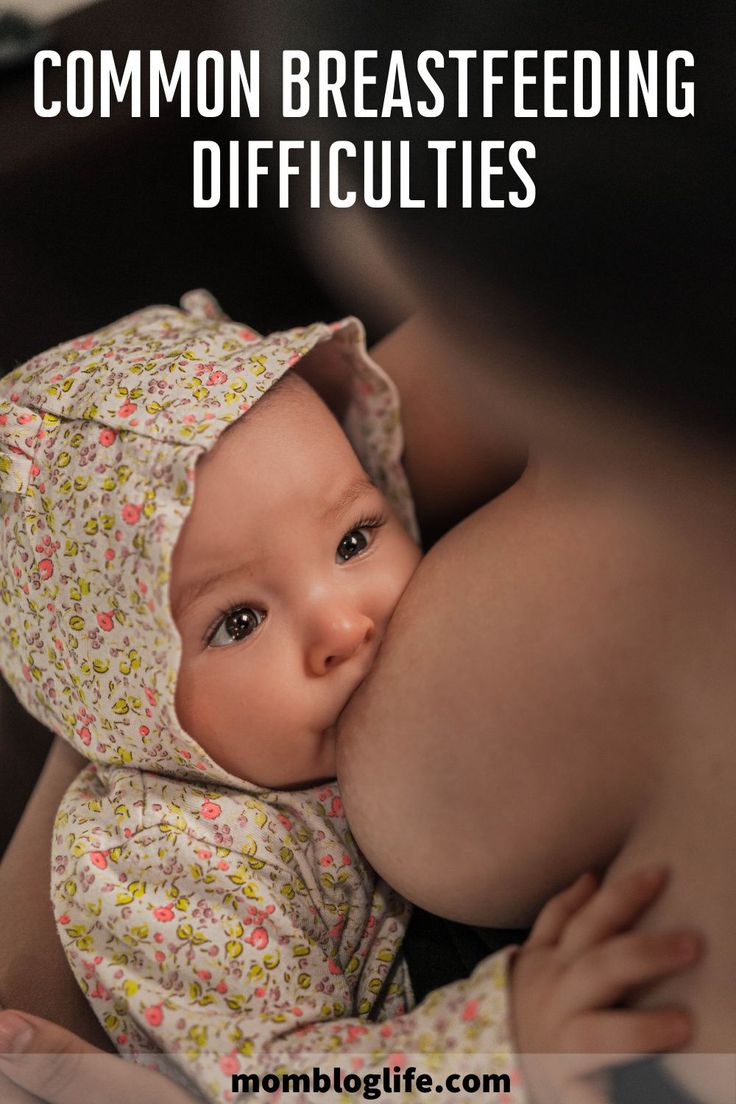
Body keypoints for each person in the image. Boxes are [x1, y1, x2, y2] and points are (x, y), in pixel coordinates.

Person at [0, 292, 701, 1104]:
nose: (343, 623)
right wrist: (499, 1045)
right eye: (237, 621)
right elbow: (271, 1078)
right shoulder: (158, 862)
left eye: (355, 539)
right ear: (124, 704)